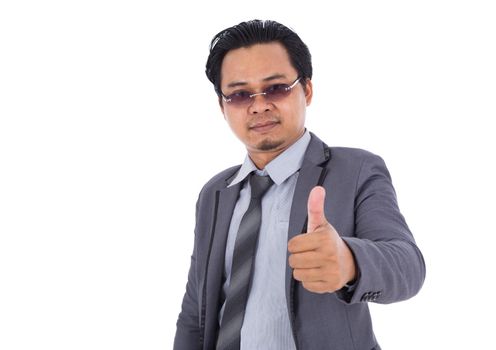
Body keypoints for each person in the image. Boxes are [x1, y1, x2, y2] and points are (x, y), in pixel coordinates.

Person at [173, 19, 425, 350]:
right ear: (222, 106)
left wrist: (349, 261)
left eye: (276, 88)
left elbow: (408, 265)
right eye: (239, 94)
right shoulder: (214, 193)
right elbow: (196, 310)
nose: (259, 105)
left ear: (306, 89)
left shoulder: (356, 169)